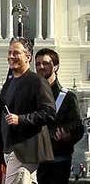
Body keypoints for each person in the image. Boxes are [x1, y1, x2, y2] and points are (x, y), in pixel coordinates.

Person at [0, 37, 56, 184]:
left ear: (28, 57)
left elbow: (49, 113)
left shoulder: (37, 82)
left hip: (24, 151)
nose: (11, 56)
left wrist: (21, 119)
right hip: (9, 151)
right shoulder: (9, 84)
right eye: (9, 52)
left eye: (16, 53)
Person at [35, 48, 84, 184]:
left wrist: (68, 136)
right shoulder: (31, 95)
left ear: (55, 66)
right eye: (38, 64)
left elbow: (79, 129)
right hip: (32, 162)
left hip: (57, 163)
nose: (41, 67)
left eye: (45, 63)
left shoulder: (68, 97)